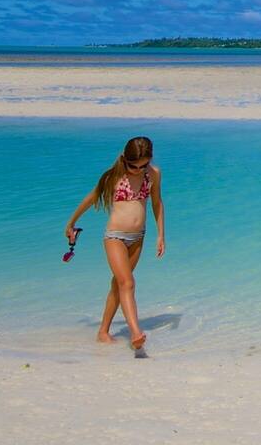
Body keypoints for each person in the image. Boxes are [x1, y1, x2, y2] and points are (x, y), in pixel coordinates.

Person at [64, 136, 166, 358]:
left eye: (143, 165)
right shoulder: (114, 177)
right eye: (134, 166)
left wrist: (160, 234)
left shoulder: (154, 174)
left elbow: (157, 203)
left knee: (117, 286)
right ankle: (136, 334)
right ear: (124, 159)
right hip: (115, 238)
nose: (138, 170)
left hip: (138, 238)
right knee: (127, 283)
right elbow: (91, 199)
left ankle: (103, 332)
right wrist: (71, 222)